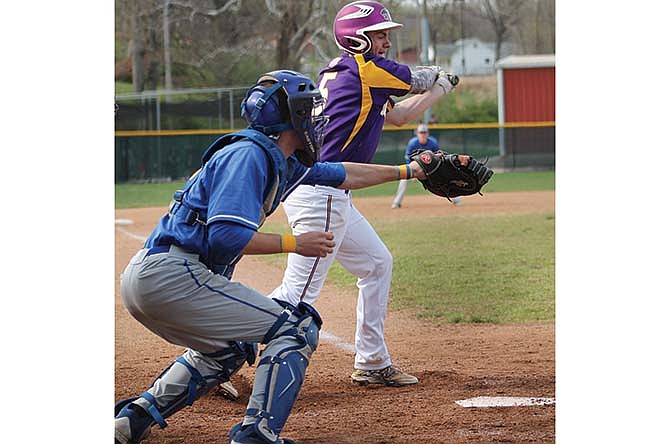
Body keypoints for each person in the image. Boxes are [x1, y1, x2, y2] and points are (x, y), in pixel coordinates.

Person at [114, 69, 446, 444]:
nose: (315, 119)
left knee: (229, 351)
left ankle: (132, 420)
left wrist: (410, 170)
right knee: (297, 328)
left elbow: (343, 174)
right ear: (289, 116)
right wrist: (295, 242)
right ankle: (257, 435)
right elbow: (225, 236)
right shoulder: (249, 155)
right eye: (307, 110)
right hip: (172, 275)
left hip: (161, 277)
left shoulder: (277, 158)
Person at [267, 0, 459, 387]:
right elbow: (415, 80)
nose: (387, 41)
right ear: (355, 38)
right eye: (379, 34)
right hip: (322, 190)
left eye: (386, 34)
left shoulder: (347, 73)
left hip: (330, 191)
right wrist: (436, 76)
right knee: (298, 290)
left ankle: (371, 360)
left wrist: (440, 90)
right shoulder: (363, 68)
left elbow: (401, 116)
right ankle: (213, 352)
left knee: (376, 263)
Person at [391, 123, 462, 208]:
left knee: (442, 180)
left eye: (424, 132)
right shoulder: (413, 143)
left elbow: (438, 156)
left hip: (429, 169)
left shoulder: (432, 142)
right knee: (403, 180)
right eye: (421, 132)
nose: (423, 134)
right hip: (414, 168)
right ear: (417, 133)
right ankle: (397, 202)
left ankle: (456, 199)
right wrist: (411, 173)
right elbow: (408, 159)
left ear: (427, 133)